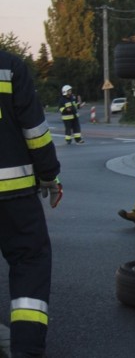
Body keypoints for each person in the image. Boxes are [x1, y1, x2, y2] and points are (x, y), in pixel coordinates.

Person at [0, 49, 63, 357]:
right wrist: (50, 176)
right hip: (15, 197)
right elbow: (35, 133)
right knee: (30, 264)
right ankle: (26, 349)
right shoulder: (9, 68)